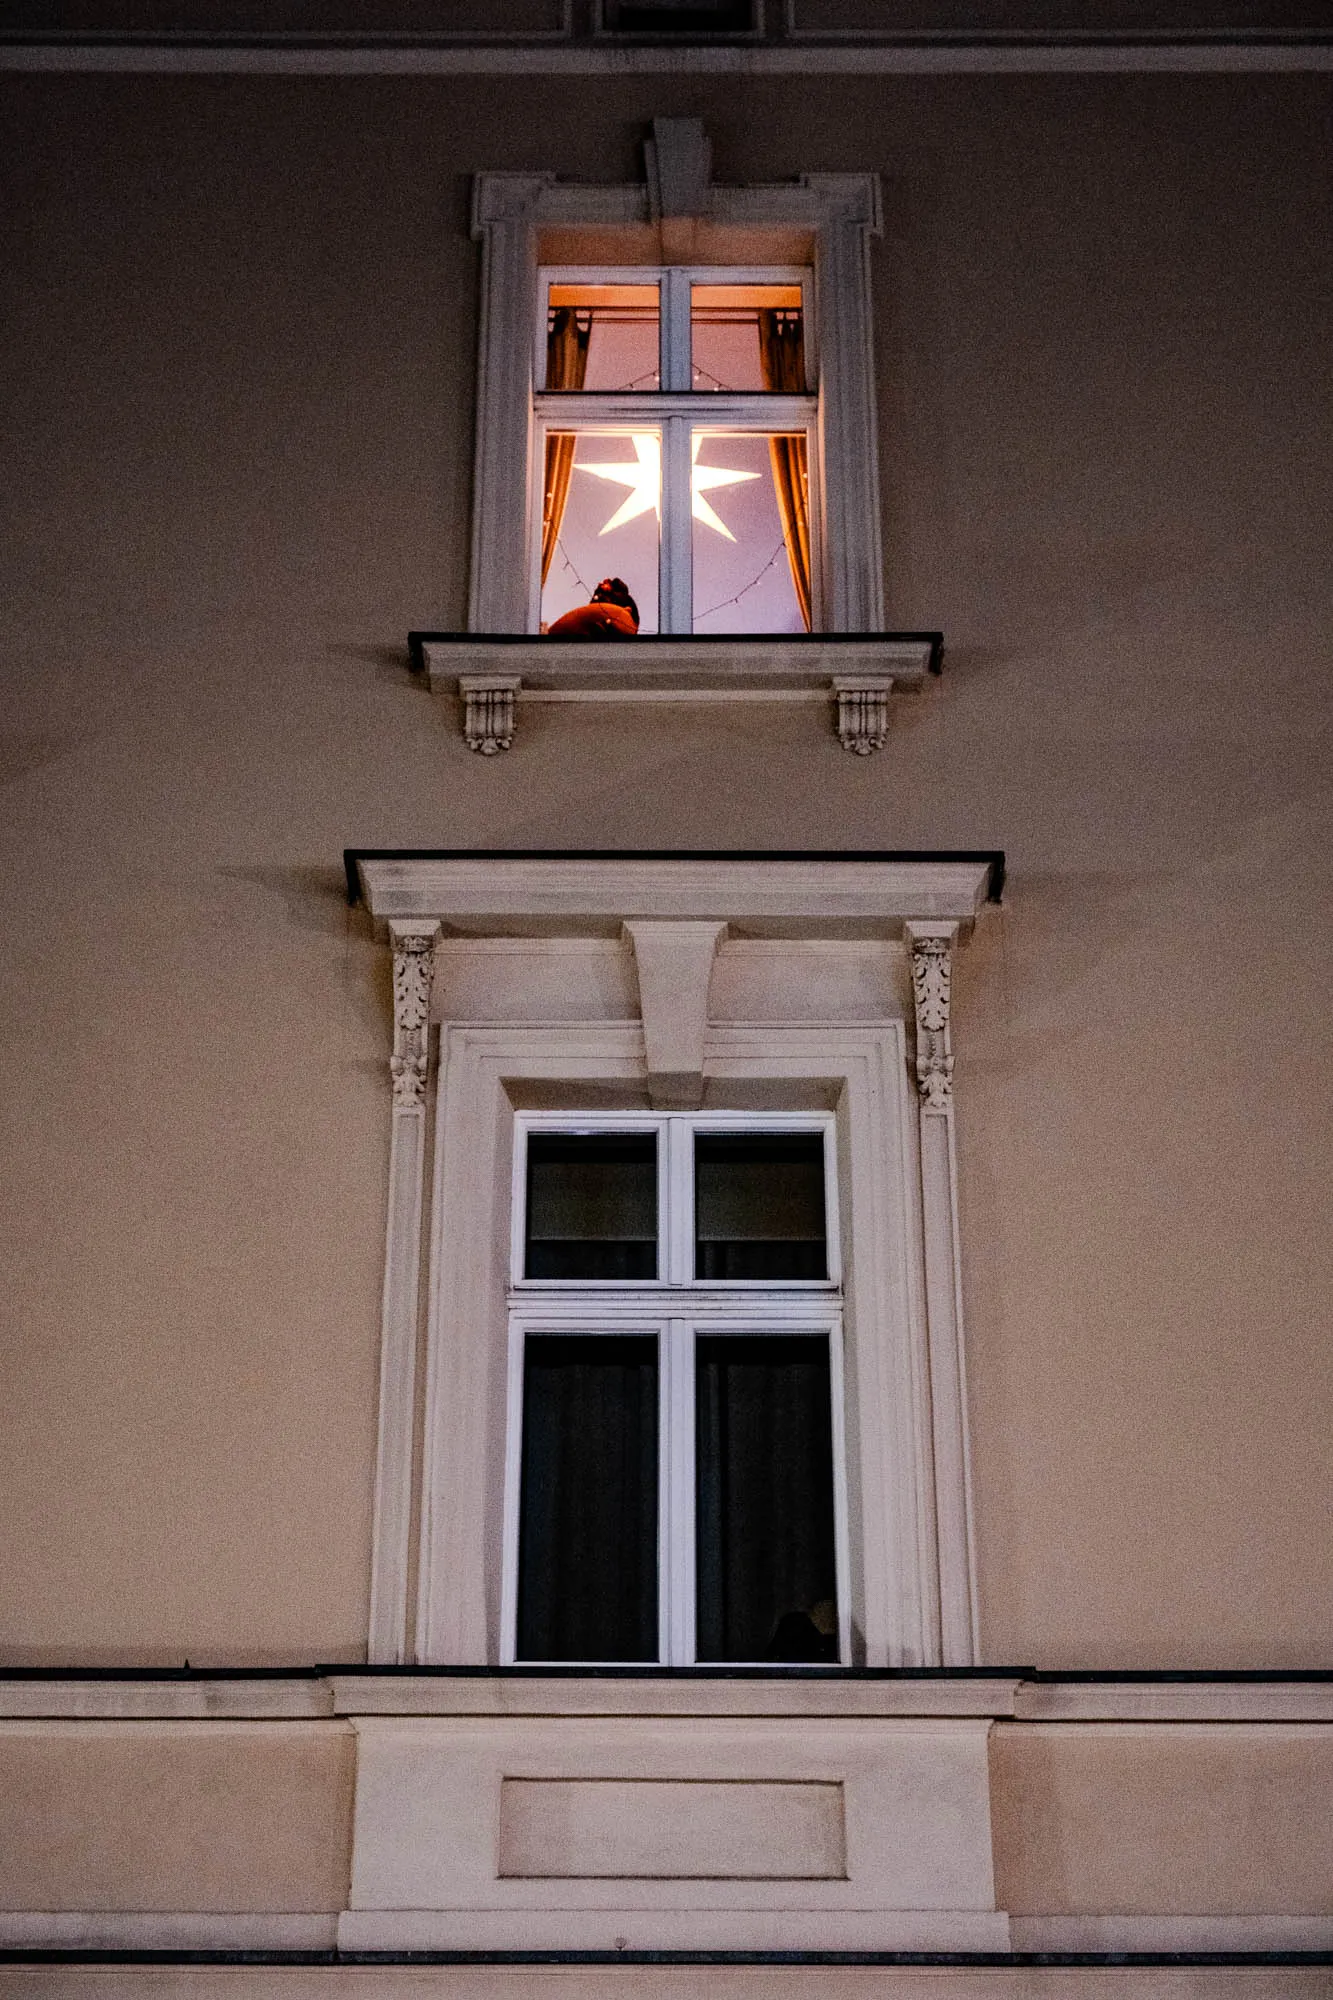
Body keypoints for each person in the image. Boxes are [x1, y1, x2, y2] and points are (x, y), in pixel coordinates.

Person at [547, 577, 640, 639]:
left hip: (623, 618)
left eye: (605, 583)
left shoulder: (620, 593)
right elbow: (593, 603)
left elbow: (624, 591)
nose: (601, 584)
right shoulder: (600, 595)